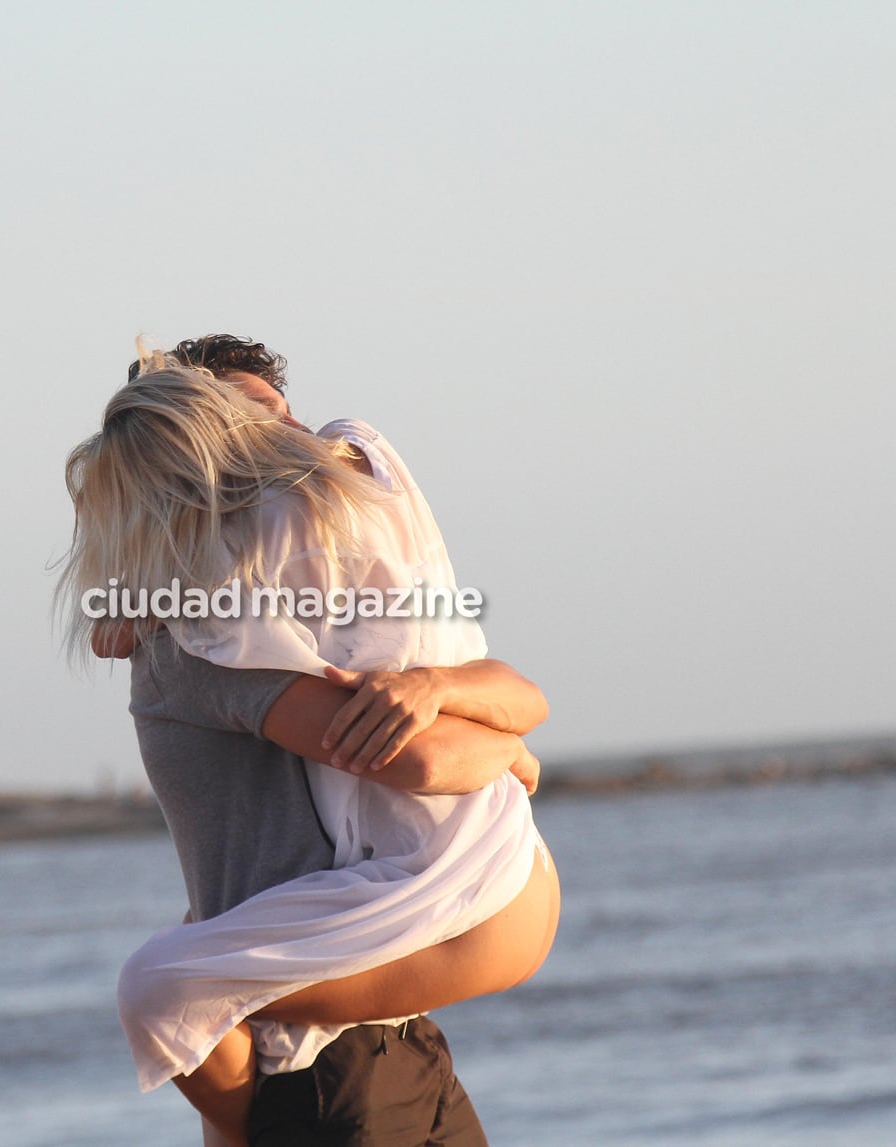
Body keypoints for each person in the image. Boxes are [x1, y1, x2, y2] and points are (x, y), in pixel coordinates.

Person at [59, 337, 559, 1145]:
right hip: (351, 1062)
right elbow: (434, 757)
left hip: (389, 1048)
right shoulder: (210, 629)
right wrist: (507, 748)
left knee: (168, 984)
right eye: (255, 416)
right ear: (208, 451)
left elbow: (506, 706)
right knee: (165, 985)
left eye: (281, 408)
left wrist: (468, 709)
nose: (290, 430)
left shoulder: (277, 603)